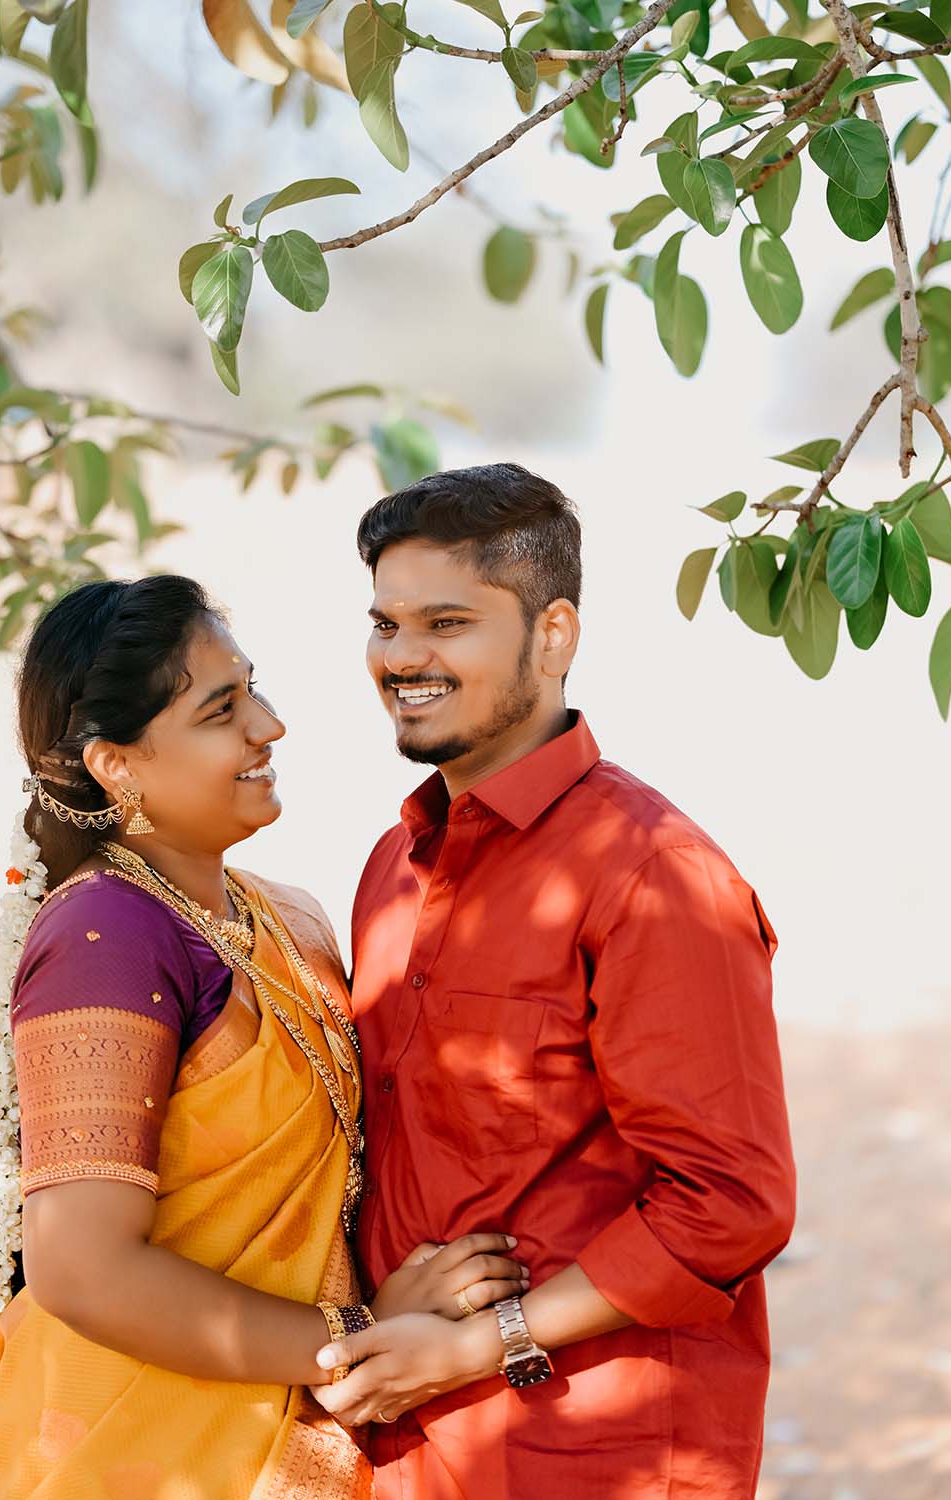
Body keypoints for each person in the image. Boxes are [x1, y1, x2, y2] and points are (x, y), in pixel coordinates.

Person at [0, 574, 525, 1500]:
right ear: (116, 765)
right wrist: (354, 1338)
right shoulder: (107, 940)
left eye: (253, 688)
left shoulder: (287, 919)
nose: (269, 726)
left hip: (279, 1407)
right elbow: (82, 1269)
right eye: (222, 710)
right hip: (148, 1448)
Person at [312, 465, 797, 1499]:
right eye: (387, 625)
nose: (404, 659)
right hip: (417, 1446)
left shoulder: (654, 875)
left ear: (554, 634)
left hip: (593, 1451)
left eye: (447, 623)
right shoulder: (393, 865)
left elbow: (733, 1203)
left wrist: (484, 1343)